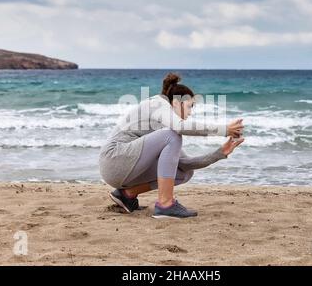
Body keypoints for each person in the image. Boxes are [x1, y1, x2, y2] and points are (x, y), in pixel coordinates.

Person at [99, 73, 244, 218]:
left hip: (124, 167)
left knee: (184, 173)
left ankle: (126, 195)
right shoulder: (157, 104)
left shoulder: (165, 126)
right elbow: (179, 128)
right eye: (189, 106)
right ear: (176, 102)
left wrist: (220, 153)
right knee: (173, 134)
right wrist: (224, 130)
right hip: (114, 159)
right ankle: (165, 204)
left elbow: (185, 164)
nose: (190, 112)